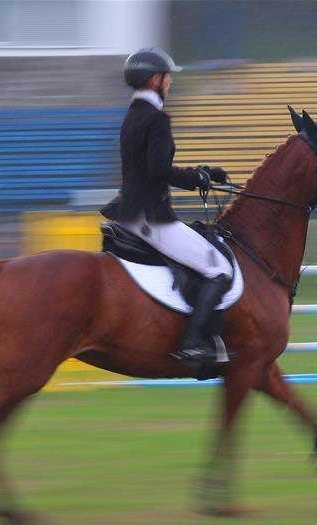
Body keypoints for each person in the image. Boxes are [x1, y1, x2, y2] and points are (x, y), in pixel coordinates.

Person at [101, 47, 233, 365]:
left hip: (130, 212)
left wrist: (203, 171)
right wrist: (198, 178)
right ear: (154, 79)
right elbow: (159, 171)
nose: (170, 83)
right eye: (167, 77)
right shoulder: (157, 118)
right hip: (151, 219)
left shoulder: (133, 115)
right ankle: (193, 343)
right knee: (219, 268)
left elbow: (150, 166)